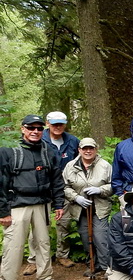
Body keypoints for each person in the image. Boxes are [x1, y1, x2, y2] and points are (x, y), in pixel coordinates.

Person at [0, 115, 65, 280]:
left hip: (43, 204)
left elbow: (56, 180)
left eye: (38, 128)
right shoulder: (9, 152)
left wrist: (58, 203)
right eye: (31, 128)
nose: (35, 131)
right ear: (23, 129)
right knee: (14, 246)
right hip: (18, 205)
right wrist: (3, 212)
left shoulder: (48, 151)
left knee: (43, 243)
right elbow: (1, 183)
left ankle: (44, 277)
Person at [62, 137, 114, 278]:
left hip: (100, 207)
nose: (88, 151)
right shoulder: (70, 166)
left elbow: (113, 185)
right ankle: (92, 264)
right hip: (79, 209)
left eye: (91, 148)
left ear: (96, 149)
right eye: (85, 148)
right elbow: (65, 187)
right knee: (86, 237)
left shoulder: (105, 166)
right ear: (79, 150)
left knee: (100, 237)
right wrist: (75, 197)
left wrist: (100, 190)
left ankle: (106, 266)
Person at [37, 111, 80, 269]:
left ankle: (62, 255)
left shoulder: (73, 141)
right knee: (39, 224)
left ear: (65, 124)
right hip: (43, 188)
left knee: (64, 222)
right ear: (47, 123)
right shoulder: (40, 140)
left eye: (60, 124)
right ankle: (35, 259)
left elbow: (82, 159)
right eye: (54, 124)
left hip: (64, 188)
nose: (57, 127)